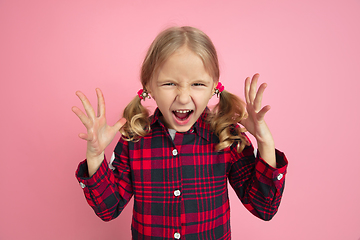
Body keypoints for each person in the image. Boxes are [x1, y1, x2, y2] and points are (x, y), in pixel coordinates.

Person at [73, 26, 288, 240]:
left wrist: (265, 142)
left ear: (214, 86)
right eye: (169, 83)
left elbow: (264, 208)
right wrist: (94, 156)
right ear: (149, 86)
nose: (183, 97)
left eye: (197, 84)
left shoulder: (226, 136)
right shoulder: (134, 138)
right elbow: (108, 209)